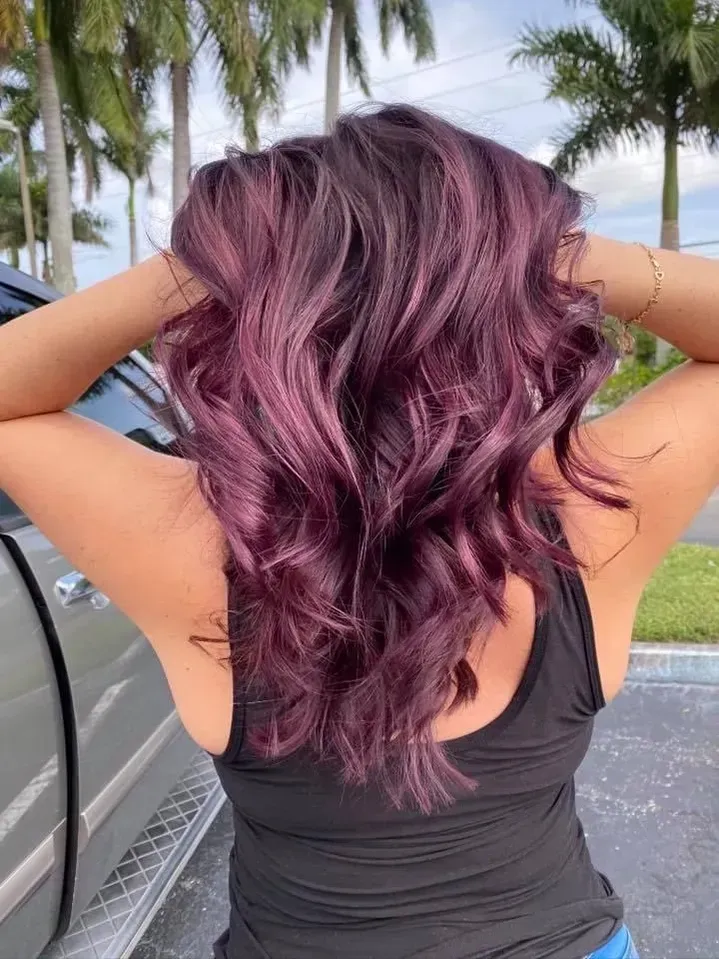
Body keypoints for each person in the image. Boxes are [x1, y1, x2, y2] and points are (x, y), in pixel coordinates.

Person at [0, 105, 716, 959]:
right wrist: (546, 247)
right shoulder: (587, 517)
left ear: (264, 325)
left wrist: (208, 264)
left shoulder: (200, 544)